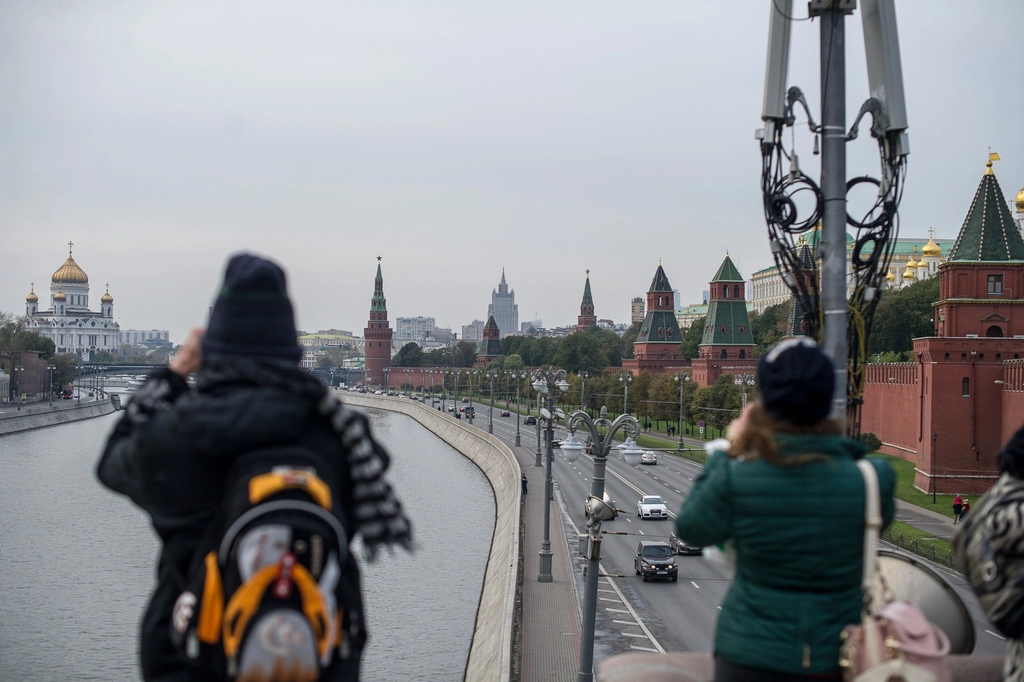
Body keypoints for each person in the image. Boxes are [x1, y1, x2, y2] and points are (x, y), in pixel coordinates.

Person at [97, 254, 413, 682]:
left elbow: (111, 463)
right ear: (290, 348)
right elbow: (373, 473)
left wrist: (172, 376)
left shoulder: (179, 435)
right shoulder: (340, 437)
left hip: (191, 662)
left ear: (213, 347)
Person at [676, 337, 895, 682]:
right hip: (839, 656)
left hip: (749, 655)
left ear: (766, 400)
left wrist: (727, 450)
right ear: (827, 399)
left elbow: (691, 528)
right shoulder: (873, 480)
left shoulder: (735, 475)